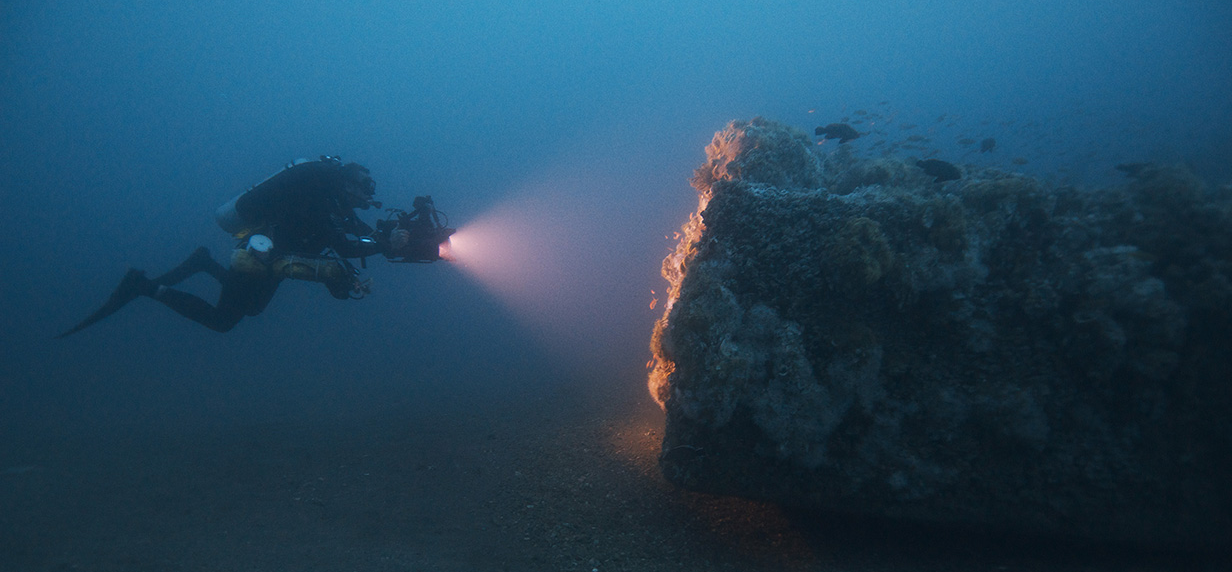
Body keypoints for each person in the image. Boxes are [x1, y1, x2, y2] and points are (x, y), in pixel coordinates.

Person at [57, 156, 413, 337]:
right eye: (363, 188)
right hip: (261, 253)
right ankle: (144, 286)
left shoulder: (334, 207)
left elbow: (356, 234)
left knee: (252, 310)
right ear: (346, 184)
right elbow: (347, 246)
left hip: (272, 257)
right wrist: (383, 245)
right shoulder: (319, 203)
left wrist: (386, 238)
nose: (366, 197)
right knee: (224, 320)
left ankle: (203, 263)